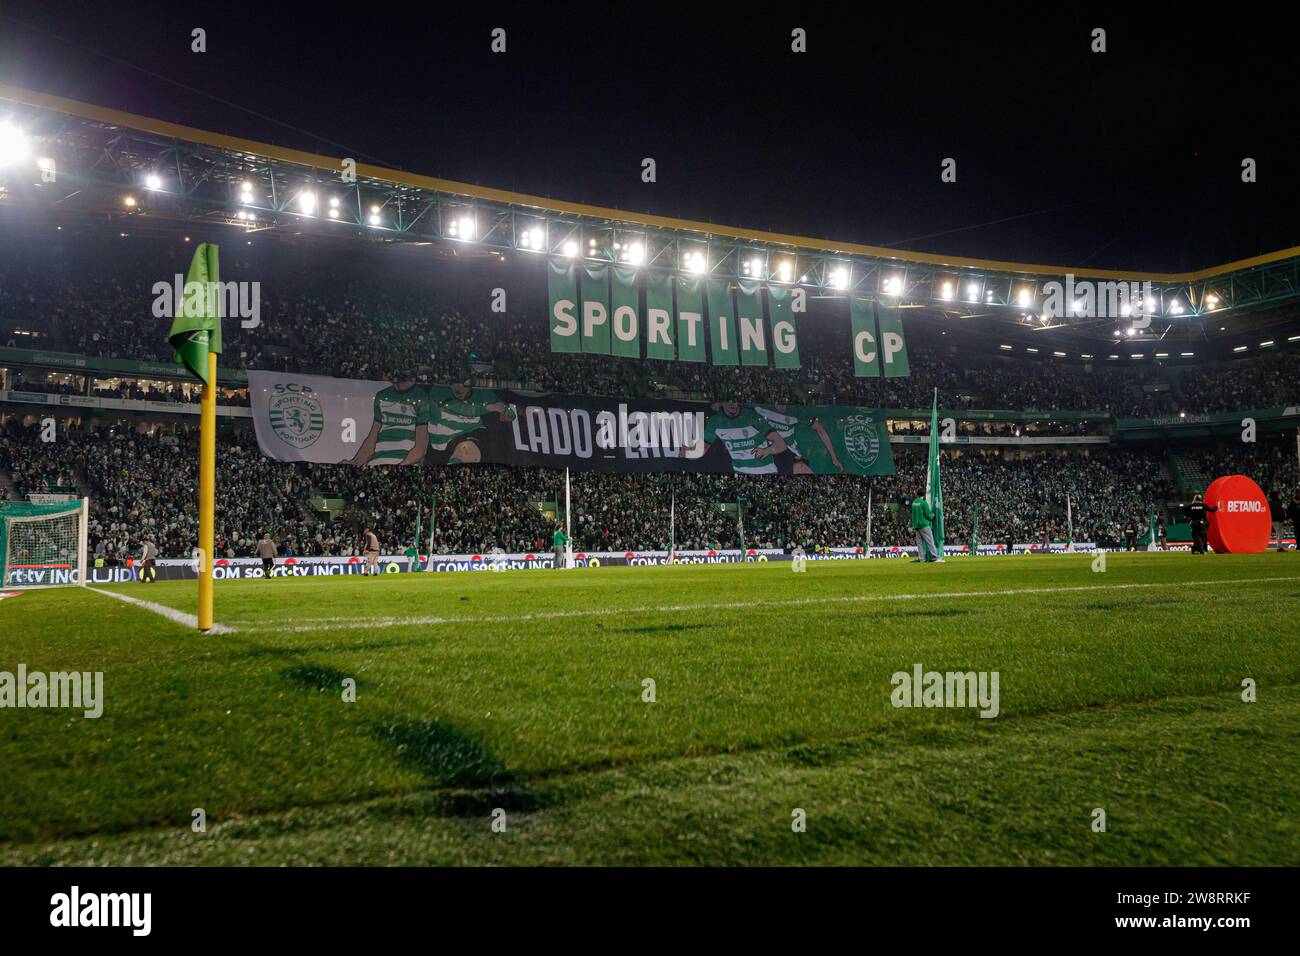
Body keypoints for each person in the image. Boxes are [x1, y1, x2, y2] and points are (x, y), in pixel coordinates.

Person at [910, 487, 943, 563]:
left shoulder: (914, 503)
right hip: (924, 525)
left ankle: (922, 559)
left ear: (917, 494)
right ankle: (934, 557)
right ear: (924, 495)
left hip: (916, 526)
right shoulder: (924, 503)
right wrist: (933, 515)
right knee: (930, 541)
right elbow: (928, 515)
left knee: (919, 543)